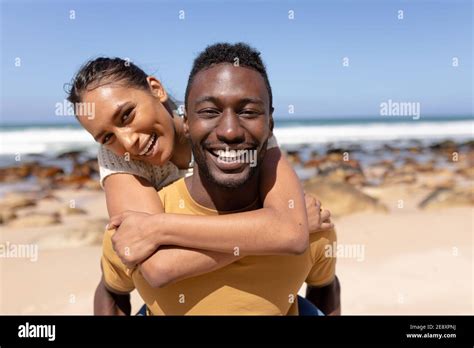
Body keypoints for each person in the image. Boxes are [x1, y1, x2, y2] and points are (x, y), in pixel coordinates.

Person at [93, 42, 340, 315]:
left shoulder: (310, 226)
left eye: (248, 111)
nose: (129, 142)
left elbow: (294, 238)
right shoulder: (131, 223)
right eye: (210, 112)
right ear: (187, 122)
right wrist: (270, 238)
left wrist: (159, 227)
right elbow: (155, 269)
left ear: (270, 125)